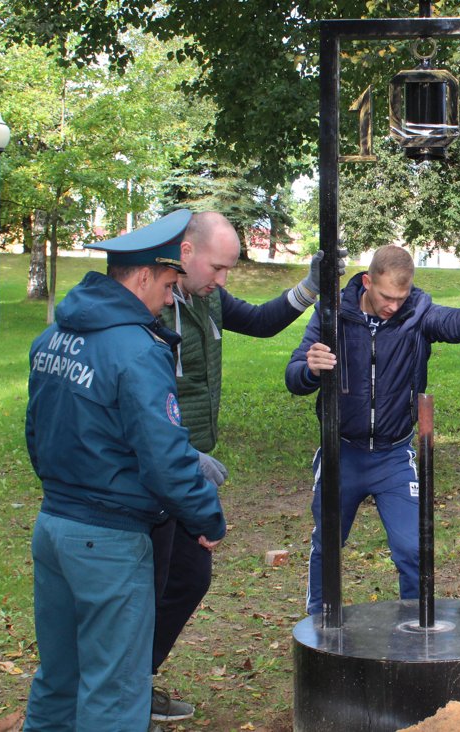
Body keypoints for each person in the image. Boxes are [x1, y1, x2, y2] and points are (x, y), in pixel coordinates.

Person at [23, 210, 226, 732]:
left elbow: (38, 436)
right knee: (114, 694)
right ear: (141, 277)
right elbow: (164, 459)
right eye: (166, 283)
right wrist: (208, 518)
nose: (169, 297)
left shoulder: (53, 339)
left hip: (54, 530)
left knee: (59, 681)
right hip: (108, 544)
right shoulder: (138, 349)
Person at [150, 211, 332, 722]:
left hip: (189, 467)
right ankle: (118, 688)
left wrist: (311, 287)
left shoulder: (205, 298)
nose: (224, 280)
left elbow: (260, 320)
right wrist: (181, 453)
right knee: (156, 577)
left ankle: (133, 678)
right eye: (219, 267)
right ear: (186, 253)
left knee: (185, 575)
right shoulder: (151, 304)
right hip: (161, 463)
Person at [286, 245, 460, 613]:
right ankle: (318, 622)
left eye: (400, 298)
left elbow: (455, 323)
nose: (393, 305)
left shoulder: (416, 314)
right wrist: (310, 368)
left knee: (411, 548)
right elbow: (295, 377)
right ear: (367, 282)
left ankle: (414, 625)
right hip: (342, 453)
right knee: (328, 544)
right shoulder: (333, 314)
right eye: (386, 296)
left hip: (393, 456)